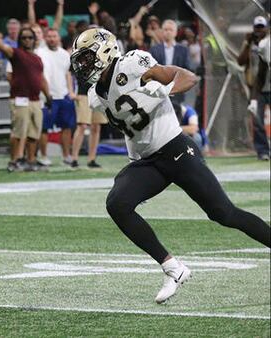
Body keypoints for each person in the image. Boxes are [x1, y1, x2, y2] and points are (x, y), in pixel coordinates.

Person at [70, 28, 271, 304]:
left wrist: (164, 90)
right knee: (117, 202)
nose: (84, 66)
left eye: (87, 58)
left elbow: (187, 77)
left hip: (176, 150)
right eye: (81, 61)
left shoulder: (132, 63)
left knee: (224, 213)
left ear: (105, 51)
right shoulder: (95, 95)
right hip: (148, 162)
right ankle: (173, 268)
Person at [0, 28, 52, 172]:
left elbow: (41, 78)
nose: (27, 40)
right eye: (24, 38)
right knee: (18, 132)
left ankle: (30, 161)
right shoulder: (16, 53)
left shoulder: (37, 59)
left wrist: (48, 95)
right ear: (20, 40)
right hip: (20, 99)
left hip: (36, 99)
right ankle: (14, 161)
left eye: (30, 37)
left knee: (33, 133)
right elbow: (4, 48)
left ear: (34, 39)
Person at [35, 28, 75, 166]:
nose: (52, 39)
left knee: (66, 127)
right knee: (44, 127)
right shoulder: (39, 53)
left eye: (54, 36)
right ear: (45, 38)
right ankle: (44, 156)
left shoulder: (64, 54)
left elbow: (67, 74)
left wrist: (70, 92)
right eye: (49, 36)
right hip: (46, 96)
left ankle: (66, 155)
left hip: (63, 95)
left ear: (58, 38)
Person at [239, 16, 270, 161]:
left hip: (265, 84)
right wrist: (247, 43)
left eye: (261, 27)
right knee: (257, 121)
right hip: (257, 88)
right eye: (256, 27)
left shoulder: (267, 44)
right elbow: (241, 62)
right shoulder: (253, 44)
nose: (258, 30)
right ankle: (263, 151)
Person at [149, 20, 190, 103]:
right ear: (162, 31)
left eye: (170, 30)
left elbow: (187, 69)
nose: (168, 32)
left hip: (176, 91)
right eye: (165, 30)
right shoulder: (154, 49)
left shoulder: (183, 50)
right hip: (158, 90)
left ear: (175, 32)